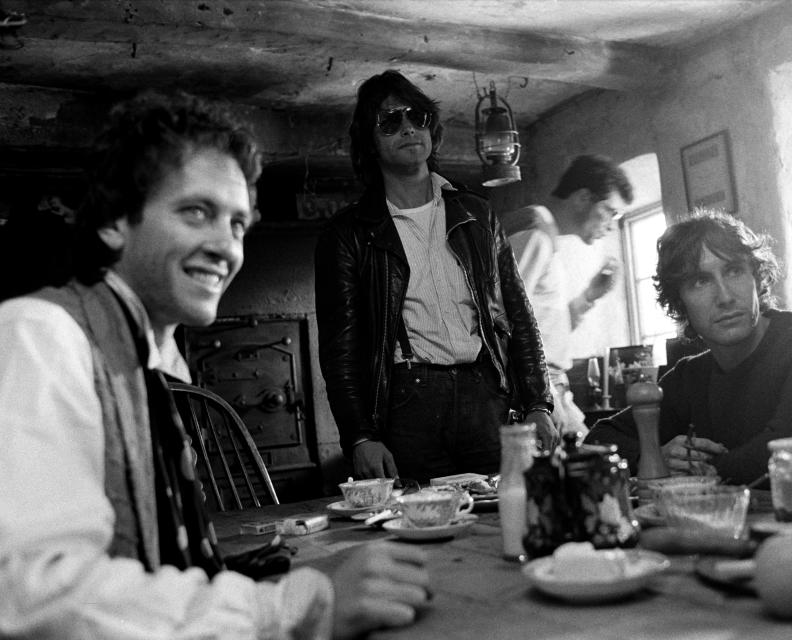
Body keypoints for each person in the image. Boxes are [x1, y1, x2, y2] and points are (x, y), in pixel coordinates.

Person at [0, 90, 430, 639]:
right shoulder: (43, 334)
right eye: (196, 212)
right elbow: (35, 594)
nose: (225, 247)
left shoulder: (149, 363)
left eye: (236, 225)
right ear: (113, 221)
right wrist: (288, 607)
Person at [315, 70, 555, 482]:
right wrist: (359, 437)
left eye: (417, 116)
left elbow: (518, 315)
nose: (408, 127)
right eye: (390, 121)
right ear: (369, 142)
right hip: (408, 404)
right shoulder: (349, 234)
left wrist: (539, 403)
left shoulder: (477, 214)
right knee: (417, 527)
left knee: (506, 516)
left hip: (487, 395)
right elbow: (342, 349)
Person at [584, 209, 792, 489]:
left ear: (756, 279)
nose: (725, 296)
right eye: (701, 281)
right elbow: (598, 440)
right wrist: (654, 457)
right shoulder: (691, 376)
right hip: (766, 528)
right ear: (680, 303)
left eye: (734, 271)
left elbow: (786, 456)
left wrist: (694, 467)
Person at [503, 154, 633, 434]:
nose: (612, 225)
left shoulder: (549, 237)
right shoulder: (535, 231)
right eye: (611, 211)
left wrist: (590, 296)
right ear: (583, 198)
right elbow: (502, 321)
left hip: (553, 387)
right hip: (539, 389)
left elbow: (546, 328)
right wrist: (542, 398)